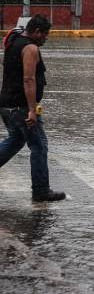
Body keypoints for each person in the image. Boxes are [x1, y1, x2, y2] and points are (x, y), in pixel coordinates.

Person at [0, 15, 66, 202]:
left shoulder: (14, 41)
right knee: (39, 145)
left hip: (6, 104)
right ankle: (41, 191)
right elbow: (28, 79)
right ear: (37, 32)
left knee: (16, 140)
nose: (46, 38)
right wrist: (31, 109)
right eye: (45, 35)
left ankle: (41, 189)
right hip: (20, 107)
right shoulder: (30, 48)